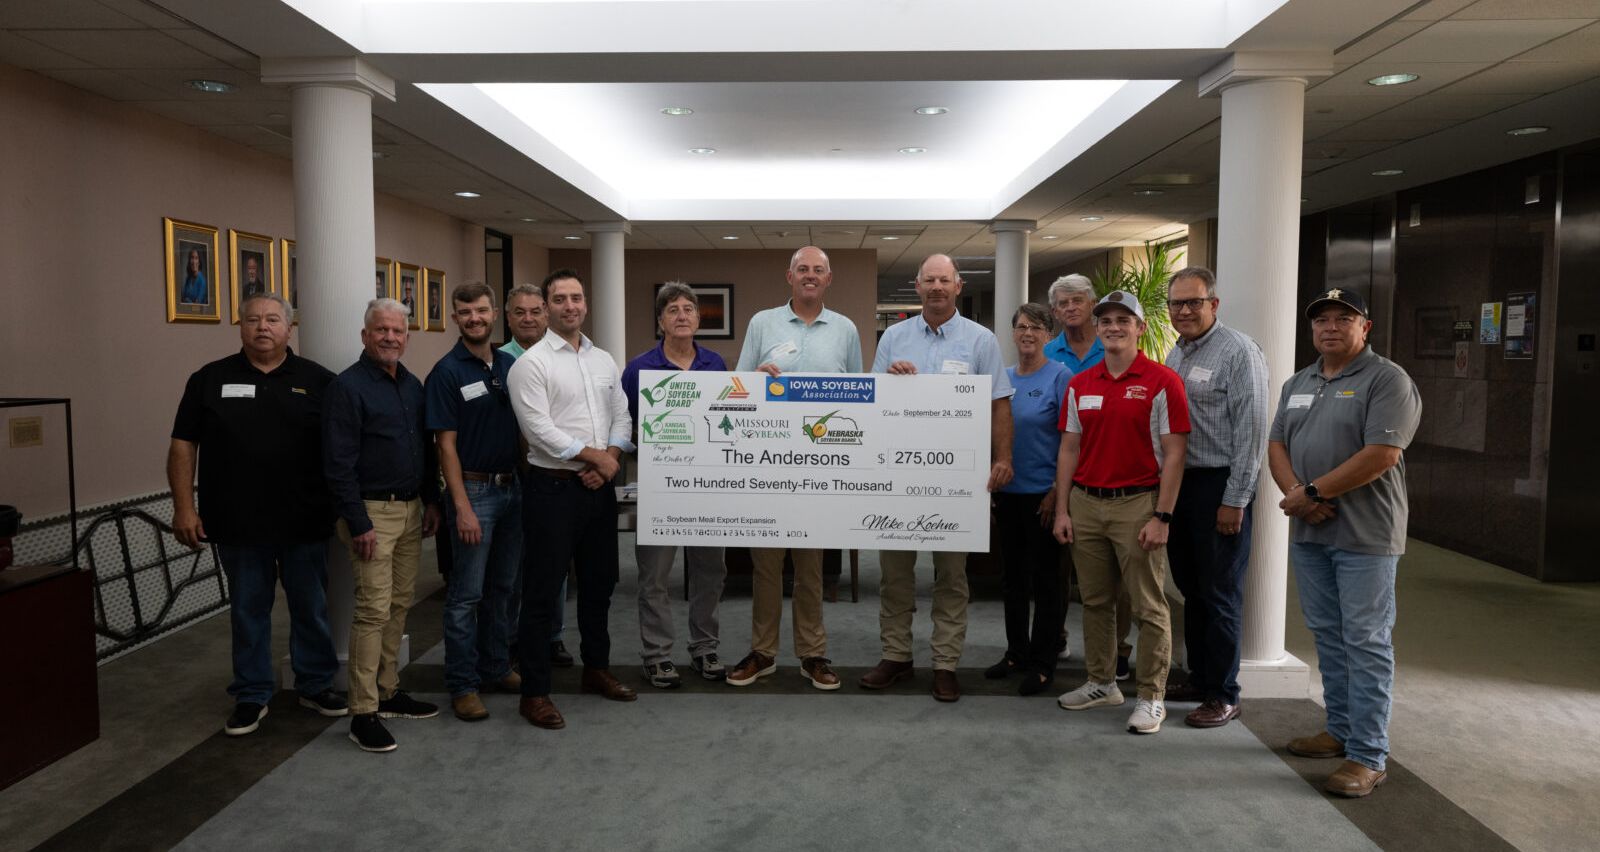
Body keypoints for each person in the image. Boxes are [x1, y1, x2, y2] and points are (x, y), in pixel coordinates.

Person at [168, 292, 345, 736]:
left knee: (311, 606)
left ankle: (315, 683)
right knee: (249, 609)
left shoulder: (320, 381)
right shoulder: (208, 379)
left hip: (305, 518)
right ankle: (251, 694)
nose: (262, 327)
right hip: (236, 521)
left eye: (271, 320)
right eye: (252, 320)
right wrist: (183, 507)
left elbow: (343, 449)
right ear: (240, 327)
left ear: (290, 328)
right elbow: (183, 444)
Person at [1268, 287, 1421, 798]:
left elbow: (1382, 454)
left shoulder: (1387, 379)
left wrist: (1312, 491)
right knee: (1328, 636)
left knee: (1367, 641)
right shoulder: (1300, 381)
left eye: (1343, 318)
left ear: (1365, 328)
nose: (1330, 327)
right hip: (1312, 529)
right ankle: (1339, 731)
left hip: (1366, 535)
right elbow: (1277, 444)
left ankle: (1368, 754)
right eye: (1321, 321)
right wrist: (1300, 497)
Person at [860, 254, 1014, 703]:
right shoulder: (894, 336)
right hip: (898, 474)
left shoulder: (980, 340)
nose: (937, 287)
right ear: (917, 285)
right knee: (895, 574)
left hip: (958, 478)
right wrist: (891, 379)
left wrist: (1002, 458)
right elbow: (872, 399)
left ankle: (945, 664)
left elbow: (999, 404)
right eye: (929, 280)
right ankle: (897, 656)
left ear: (958, 286)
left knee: (951, 575)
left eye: (944, 280)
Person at [727, 246, 863, 691]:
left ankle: (813, 653)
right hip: (769, 466)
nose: (810, 276)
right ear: (790, 276)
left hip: (822, 469)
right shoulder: (762, 323)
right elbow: (738, 385)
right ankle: (763, 652)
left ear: (829, 278)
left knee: (812, 568)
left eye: (817, 270)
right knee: (766, 566)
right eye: (802, 269)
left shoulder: (844, 329)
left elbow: (861, 398)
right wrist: (756, 378)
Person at [1053, 290, 1188, 734]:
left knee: (1149, 606)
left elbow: (1174, 454)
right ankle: (1101, 682)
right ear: (1098, 328)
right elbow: (1069, 450)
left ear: (1140, 328)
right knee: (1095, 601)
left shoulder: (1162, 381)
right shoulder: (1081, 383)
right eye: (1106, 320)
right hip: (1085, 504)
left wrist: (1162, 516)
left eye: (1122, 320)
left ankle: (1151, 696)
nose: (1114, 327)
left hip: (1138, 504)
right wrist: (1062, 510)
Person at [508, 268, 637, 730]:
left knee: (599, 586)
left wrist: (610, 458)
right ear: (545, 308)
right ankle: (535, 691)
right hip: (553, 490)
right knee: (543, 593)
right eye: (559, 299)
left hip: (597, 492)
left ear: (585, 304)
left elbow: (621, 415)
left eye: (576, 298)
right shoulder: (532, 364)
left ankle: (596, 669)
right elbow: (538, 431)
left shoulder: (603, 359)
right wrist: (594, 459)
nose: (570, 306)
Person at [324, 297, 442, 752]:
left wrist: (430, 501)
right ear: (364, 335)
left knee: (398, 604)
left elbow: (426, 451)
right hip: (370, 515)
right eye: (381, 330)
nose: (390, 337)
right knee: (372, 610)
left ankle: (389, 691)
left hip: (412, 509)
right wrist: (358, 522)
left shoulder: (411, 385)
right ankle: (363, 711)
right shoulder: (348, 388)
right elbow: (337, 464)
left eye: (397, 331)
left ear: (407, 337)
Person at [1160, 267, 1269, 728]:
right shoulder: (1175, 353)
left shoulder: (1238, 352)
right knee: (1192, 588)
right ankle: (1201, 677)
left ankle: (1225, 693)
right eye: (1177, 304)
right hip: (1182, 484)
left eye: (1194, 302)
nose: (1184, 311)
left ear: (1214, 305)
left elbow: (1252, 432)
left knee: (1221, 591)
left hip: (1221, 485)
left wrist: (1236, 499)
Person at [621, 282, 730, 687]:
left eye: (688, 309)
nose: (681, 315)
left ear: (699, 319)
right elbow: (624, 423)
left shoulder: (715, 365)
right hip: (659, 486)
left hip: (706, 488)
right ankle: (658, 655)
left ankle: (704, 648)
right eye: (672, 310)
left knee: (710, 572)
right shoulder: (639, 368)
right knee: (655, 576)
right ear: (660, 320)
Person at [425, 282, 523, 722]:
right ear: (455, 317)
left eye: (481, 310)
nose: (474, 318)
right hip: (475, 492)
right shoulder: (446, 372)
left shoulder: (508, 363)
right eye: (465, 312)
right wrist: (460, 506)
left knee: (503, 590)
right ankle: (463, 684)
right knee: (466, 595)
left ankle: (496, 666)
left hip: (513, 490)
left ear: (495, 312)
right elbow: (445, 446)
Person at [985, 303, 1072, 696]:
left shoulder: (1061, 377)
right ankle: (1016, 652)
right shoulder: (1001, 378)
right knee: (1013, 581)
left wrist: (1058, 492)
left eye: (1036, 328)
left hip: (1045, 496)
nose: (1027, 334)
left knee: (1048, 583)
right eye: (1020, 327)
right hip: (1008, 496)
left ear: (1049, 335)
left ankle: (1042, 662)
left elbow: (1073, 442)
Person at [1042, 273, 1125, 671]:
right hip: (1064, 469)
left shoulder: (1114, 346)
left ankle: (1118, 651)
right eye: (1063, 304)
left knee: (1116, 578)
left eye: (1078, 300)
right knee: (1060, 569)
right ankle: (1057, 638)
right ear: (1055, 312)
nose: (1071, 308)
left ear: (1092, 304)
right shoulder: (1047, 351)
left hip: (1112, 472)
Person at [500, 283, 571, 667]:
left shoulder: (562, 357)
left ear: (546, 314)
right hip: (512, 477)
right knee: (513, 567)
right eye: (519, 312)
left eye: (535, 311)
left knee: (553, 564)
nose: (528, 318)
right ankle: (512, 638)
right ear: (507, 317)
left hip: (553, 476)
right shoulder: (498, 362)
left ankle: (552, 636)